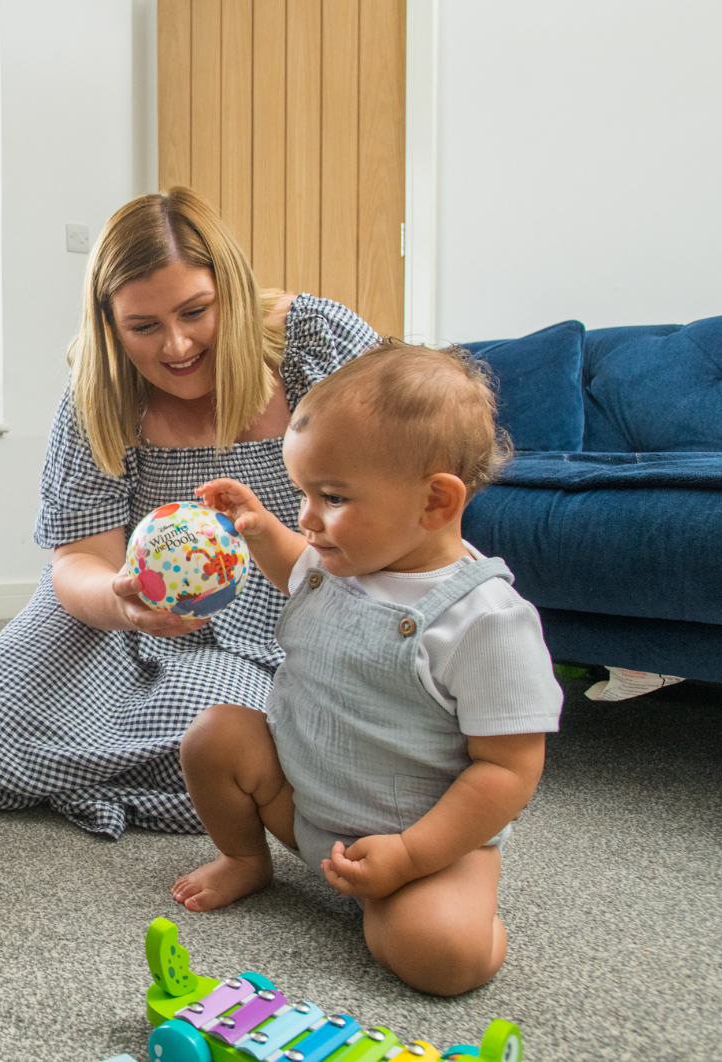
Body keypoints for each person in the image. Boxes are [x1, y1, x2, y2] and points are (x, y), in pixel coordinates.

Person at [0, 187, 379, 837]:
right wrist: (121, 602)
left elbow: (403, 469)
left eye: (195, 312)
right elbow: (82, 559)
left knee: (243, 730)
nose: (175, 346)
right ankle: (193, 779)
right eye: (143, 327)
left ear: (228, 289)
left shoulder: (315, 344)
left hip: (280, 624)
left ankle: (177, 770)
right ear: (110, 326)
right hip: (125, 613)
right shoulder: (102, 388)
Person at [176, 340, 562, 996]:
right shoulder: (339, 563)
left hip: (420, 843)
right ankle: (246, 859)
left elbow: (508, 771)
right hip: (301, 805)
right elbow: (296, 568)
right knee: (214, 735)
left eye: (330, 497)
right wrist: (257, 527)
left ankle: (460, 909)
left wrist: (412, 856)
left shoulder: (484, 620)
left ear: (435, 504)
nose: (307, 518)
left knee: (440, 957)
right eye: (301, 492)